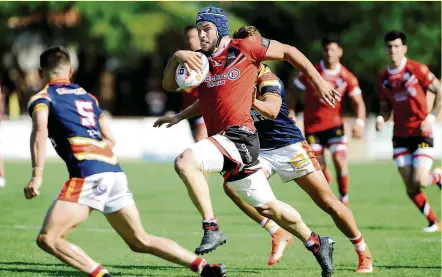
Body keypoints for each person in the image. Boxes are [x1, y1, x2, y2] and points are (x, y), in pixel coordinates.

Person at [157, 25, 373, 273]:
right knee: (232, 187)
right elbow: (207, 99)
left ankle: (362, 249)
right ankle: (277, 230)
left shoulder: (267, 77)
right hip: (257, 148)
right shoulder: (231, 71)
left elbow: (270, 110)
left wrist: (249, 99)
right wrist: (179, 116)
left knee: (328, 203)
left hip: (288, 145)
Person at [24, 46, 227, 277]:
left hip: (88, 174)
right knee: (140, 240)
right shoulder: (87, 97)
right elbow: (110, 139)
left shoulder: (43, 98)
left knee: (47, 238)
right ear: (70, 71)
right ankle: (204, 267)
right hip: (113, 171)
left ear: (41, 73)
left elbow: (40, 131)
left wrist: (36, 175)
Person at [376, 31, 442, 233]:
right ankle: (434, 222)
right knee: (410, 186)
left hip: (421, 133)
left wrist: (431, 117)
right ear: (386, 49)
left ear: (404, 48)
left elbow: (439, 90)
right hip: (400, 136)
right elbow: (385, 107)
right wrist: (381, 118)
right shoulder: (383, 78)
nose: (393, 50)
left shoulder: (417, 69)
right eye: (390, 46)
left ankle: (438, 176)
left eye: (397, 46)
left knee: (420, 179)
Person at [291, 34, 366, 206]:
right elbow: (293, 93)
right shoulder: (312, 72)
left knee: (340, 161)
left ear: (340, 52)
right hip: (312, 127)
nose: (329, 53)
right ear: (322, 52)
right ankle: (326, 174)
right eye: (326, 49)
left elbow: (359, 103)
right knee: (319, 170)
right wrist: (291, 113)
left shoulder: (347, 77)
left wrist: (359, 123)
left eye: (333, 49)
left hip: (335, 126)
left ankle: (344, 198)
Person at [181, 25, 208, 142]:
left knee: (200, 142)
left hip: (204, 109)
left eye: (193, 37)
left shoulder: (207, 59)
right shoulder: (180, 60)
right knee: (199, 144)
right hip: (188, 110)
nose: (190, 40)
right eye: (187, 37)